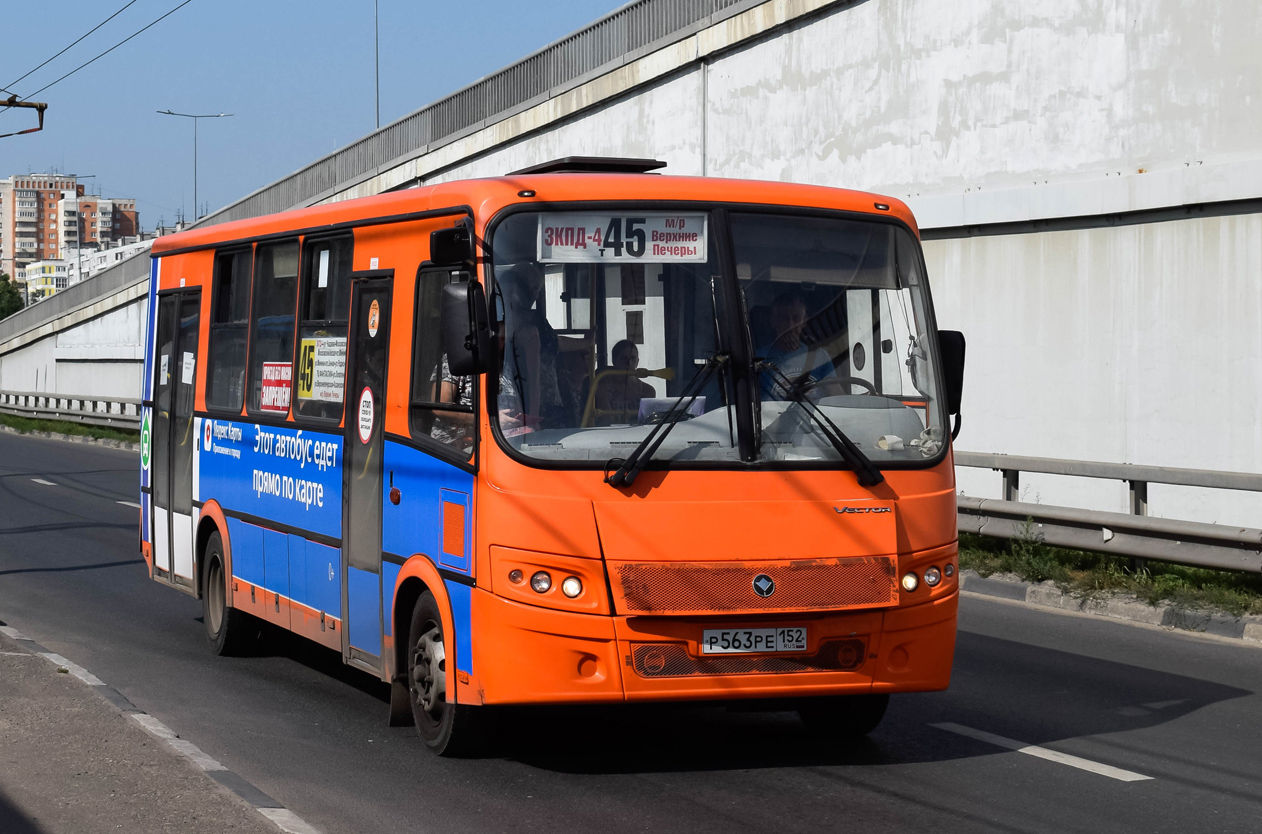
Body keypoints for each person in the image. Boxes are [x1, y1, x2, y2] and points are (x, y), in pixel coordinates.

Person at [759, 290, 837, 399]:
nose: (790, 325)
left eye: (796, 318)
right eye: (784, 318)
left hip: (816, 415)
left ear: (804, 321)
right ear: (773, 321)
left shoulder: (819, 356)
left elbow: (837, 396)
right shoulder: (759, 360)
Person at [594, 340, 656, 425]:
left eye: (632, 358)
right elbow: (606, 422)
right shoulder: (604, 389)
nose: (629, 363)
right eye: (624, 358)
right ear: (614, 361)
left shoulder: (647, 391)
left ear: (637, 361)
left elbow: (648, 423)